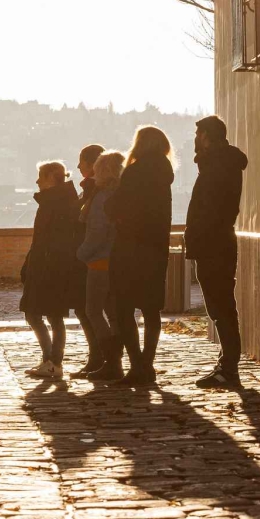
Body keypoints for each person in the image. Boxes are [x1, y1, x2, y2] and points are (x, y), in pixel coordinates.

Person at [185, 115, 249, 388]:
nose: (195, 139)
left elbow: (211, 209)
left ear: (208, 136)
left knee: (221, 306)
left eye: (199, 134)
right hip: (213, 242)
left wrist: (200, 235)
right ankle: (227, 364)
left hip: (214, 244)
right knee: (220, 306)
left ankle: (229, 368)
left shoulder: (219, 166)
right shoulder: (218, 164)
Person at [107, 125, 175, 386]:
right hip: (155, 249)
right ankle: (148, 363)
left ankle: (137, 365)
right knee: (150, 309)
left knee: (124, 308)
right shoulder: (164, 175)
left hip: (130, 248)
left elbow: (116, 206)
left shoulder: (134, 172)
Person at [20, 161, 81, 380]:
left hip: (51, 266)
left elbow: (54, 240)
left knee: (47, 314)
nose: (37, 181)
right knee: (40, 314)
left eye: (41, 176)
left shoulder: (58, 203)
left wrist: (39, 263)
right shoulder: (55, 201)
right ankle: (50, 360)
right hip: (44, 264)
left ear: (52, 178)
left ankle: (53, 361)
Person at [76, 150, 124, 382]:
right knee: (114, 314)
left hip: (99, 262)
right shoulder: (121, 194)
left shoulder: (102, 197)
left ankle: (111, 360)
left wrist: (81, 254)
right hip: (117, 261)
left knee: (93, 311)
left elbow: (96, 232)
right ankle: (116, 362)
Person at [70, 144, 106, 377]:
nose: (78, 166)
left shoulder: (95, 189)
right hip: (89, 256)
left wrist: (81, 252)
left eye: (81, 161)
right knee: (87, 310)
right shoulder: (90, 188)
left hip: (92, 258)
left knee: (90, 310)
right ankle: (99, 356)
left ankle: (100, 357)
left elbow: (94, 227)